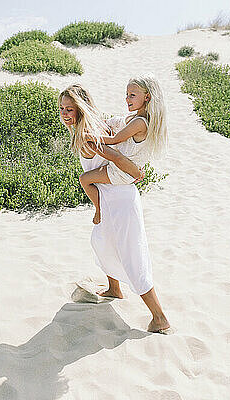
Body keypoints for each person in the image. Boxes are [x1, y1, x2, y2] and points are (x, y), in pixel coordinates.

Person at [58, 83, 172, 335]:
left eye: (69, 109)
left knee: (132, 257)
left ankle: (160, 317)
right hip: (111, 198)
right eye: (62, 109)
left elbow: (119, 159)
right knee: (103, 243)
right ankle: (114, 289)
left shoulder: (90, 134)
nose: (65, 114)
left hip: (120, 200)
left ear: (80, 109)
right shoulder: (91, 128)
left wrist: (136, 173)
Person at [79, 75, 169, 225]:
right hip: (123, 167)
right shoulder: (136, 117)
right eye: (127, 95)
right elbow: (117, 122)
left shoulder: (140, 122)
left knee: (84, 179)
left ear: (147, 97)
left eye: (132, 95)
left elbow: (115, 140)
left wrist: (88, 136)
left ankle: (99, 209)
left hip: (121, 171)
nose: (127, 99)